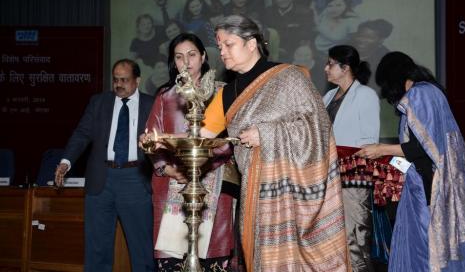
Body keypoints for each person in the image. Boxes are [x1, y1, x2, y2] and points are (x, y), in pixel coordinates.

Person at [199, 15, 351, 271]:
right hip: (253, 195)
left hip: (294, 195)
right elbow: (201, 137)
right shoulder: (226, 93)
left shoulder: (289, 77)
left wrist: (266, 134)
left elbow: (319, 128)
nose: (222, 51)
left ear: (251, 44)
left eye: (229, 44)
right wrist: (161, 142)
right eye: (220, 45)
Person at [356, 52, 465, 272]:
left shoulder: (419, 94)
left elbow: (423, 148)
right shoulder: (429, 91)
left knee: (431, 245)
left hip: (434, 184)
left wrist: (381, 149)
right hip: (436, 180)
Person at [141, 33, 238, 271]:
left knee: (214, 257)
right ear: (174, 62)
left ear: (203, 57)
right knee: (173, 257)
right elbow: (152, 139)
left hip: (214, 182)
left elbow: (228, 142)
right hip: (174, 182)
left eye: (192, 54)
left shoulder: (223, 93)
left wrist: (199, 165)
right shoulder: (165, 97)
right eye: (179, 57)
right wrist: (169, 168)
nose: (186, 62)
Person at [54, 59, 155, 271]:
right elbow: (81, 134)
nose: (119, 84)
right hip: (101, 180)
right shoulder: (98, 102)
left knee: (141, 250)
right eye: (115, 80)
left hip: (135, 180)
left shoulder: (152, 104)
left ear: (137, 80)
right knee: (96, 249)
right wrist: (65, 162)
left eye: (125, 80)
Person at [323, 45, 379, 272]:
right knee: (331, 236)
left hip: (354, 176)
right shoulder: (328, 96)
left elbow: (369, 141)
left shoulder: (365, 95)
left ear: (345, 68)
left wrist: (345, 155)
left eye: (330, 64)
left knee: (355, 236)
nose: (326, 68)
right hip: (329, 175)